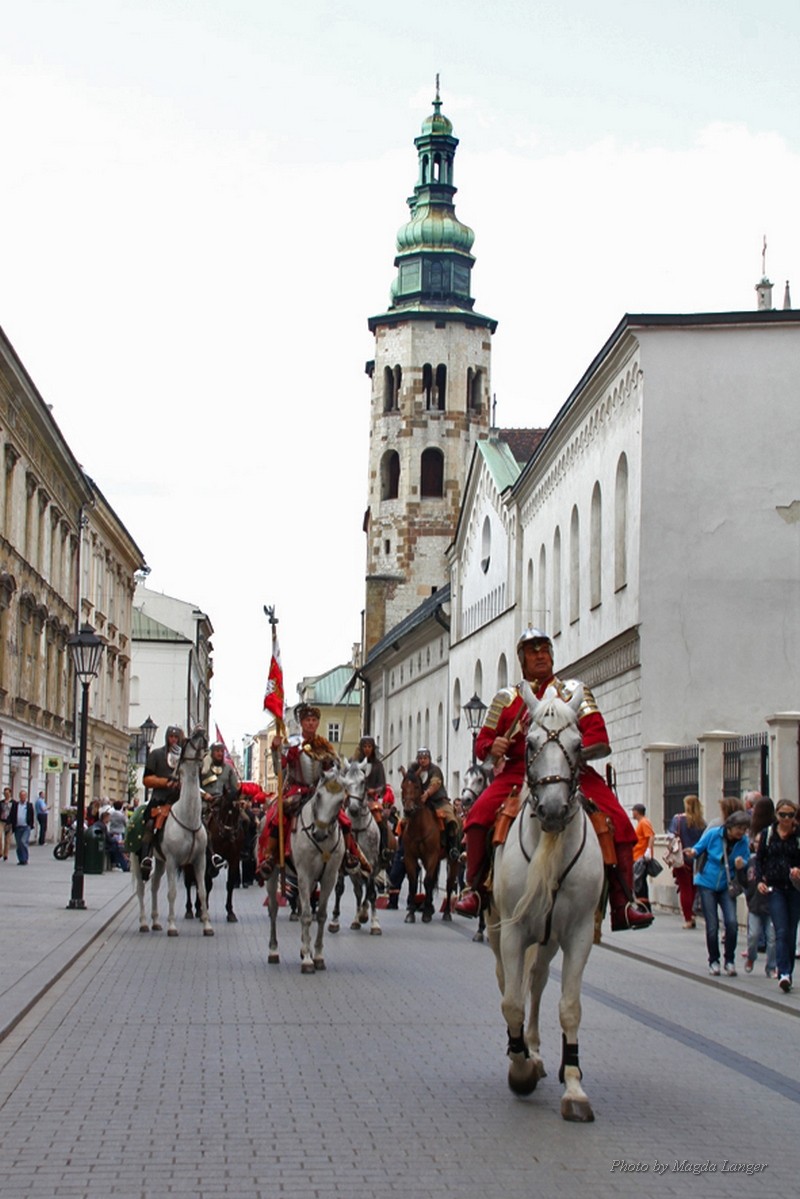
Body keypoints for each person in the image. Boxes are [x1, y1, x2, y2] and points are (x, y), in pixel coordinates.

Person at [454, 627, 653, 930]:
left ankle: (623, 903)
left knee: (620, 823)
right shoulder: (505, 699)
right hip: (518, 772)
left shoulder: (574, 692)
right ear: (522, 660)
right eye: (533, 651)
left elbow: (599, 736)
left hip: (573, 770)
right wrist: (492, 746)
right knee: (478, 817)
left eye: (545, 650)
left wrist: (571, 752)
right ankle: (475, 890)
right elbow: (484, 744)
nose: (540, 656)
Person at [256, 704, 369, 880]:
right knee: (277, 816)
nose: (311, 723)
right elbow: (279, 770)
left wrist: (336, 775)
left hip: (319, 791)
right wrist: (274, 750)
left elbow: (332, 770)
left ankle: (348, 855)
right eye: (307, 720)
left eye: (314, 720)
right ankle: (270, 856)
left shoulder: (324, 744)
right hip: (296, 790)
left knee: (344, 820)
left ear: (317, 723)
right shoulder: (291, 744)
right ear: (301, 723)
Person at [685, 810, 751, 977]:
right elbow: (698, 849)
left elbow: (747, 860)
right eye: (739, 828)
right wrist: (692, 853)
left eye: (744, 829)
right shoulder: (714, 834)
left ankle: (730, 960)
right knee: (712, 925)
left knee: (732, 923)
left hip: (726, 885)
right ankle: (713, 960)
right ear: (730, 826)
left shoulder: (743, 842)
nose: (741, 832)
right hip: (707, 882)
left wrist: (741, 864)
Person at [755, 799, 800, 993]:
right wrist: (759, 881)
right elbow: (759, 860)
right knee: (781, 930)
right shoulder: (767, 835)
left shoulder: (798, 836)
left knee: (791, 931)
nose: (787, 819)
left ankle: (788, 969)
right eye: (783, 815)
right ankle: (783, 972)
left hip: (795, 888)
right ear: (776, 815)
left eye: (791, 815)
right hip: (775, 888)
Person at [139, 726, 184, 879]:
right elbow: (146, 779)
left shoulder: (184, 758)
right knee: (150, 824)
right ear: (167, 738)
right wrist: (166, 782)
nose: (174, 740)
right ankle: (146, 858)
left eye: (176, 737)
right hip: (160, 799)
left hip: (180, 799)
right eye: (171, 737)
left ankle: (209, 856)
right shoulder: (156, 755)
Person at [742, 797, 776, 977]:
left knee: (772, 938)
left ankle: (771, 967)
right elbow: (744, 880)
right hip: (755, 904)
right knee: (753, 936)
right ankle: (751, 956)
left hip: (771, 902)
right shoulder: (751, 861)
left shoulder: (773, 861)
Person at [414, 748, 461, 863]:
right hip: (422, 804)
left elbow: (435, 784)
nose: (422, 761)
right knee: (405, 822)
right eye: (420, 759)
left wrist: (427, 794)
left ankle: (452, 847)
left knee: (451, 819)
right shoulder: (416, 772)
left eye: (425, 758)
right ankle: (404, 851)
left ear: (429, 759)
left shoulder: (435, 770)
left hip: (439, 801)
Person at [200, 742, 239, 873]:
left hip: (224, 802)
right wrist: (204, 794)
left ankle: (244, 851)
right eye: (217, 751)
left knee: (246, 819)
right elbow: (195, 785)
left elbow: (235, 787)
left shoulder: (228, 769)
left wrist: (239, 798)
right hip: (206, 802)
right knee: (198, 822)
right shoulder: (203, 768)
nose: (220, 753)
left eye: (221, 751)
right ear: (212, 752)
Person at [668, 794, 706, 928]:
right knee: (693, 888)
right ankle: (693, 913)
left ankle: (688, 918)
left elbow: (671, 836)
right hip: (697, 858)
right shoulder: (702, 823)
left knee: (685, 889)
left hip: (682, 858)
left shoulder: (677, 819)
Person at [355, 735, 393, 865]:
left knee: (381, 822)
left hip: (371, 800)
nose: (367, 749)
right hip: (356, 799)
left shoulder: (378, 765)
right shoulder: (355, 764)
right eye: (364, 746)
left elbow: (382, 785)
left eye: (369, 746)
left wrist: (374, 790)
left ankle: (384, 850)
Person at [631, 803, 655, 907]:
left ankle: (643, 906)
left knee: (639, 883)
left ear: (637, 812)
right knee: (639, 882)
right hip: (638, 856)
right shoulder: (641, 822)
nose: (632, 813)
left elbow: (650, 836)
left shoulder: (644, 822)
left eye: (633, 811)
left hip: (641, 857)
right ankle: (643, 906)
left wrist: (648, 850)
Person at [9, 789, 35, 865]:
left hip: (26, 827)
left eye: (24, 796)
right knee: (19, 844)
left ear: (26, 797)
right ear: (19, 796)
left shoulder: (29, 805)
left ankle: (25, 858)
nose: (22, 797)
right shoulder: (16, 805)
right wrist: (11, 824)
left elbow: (32, 815)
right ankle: (21, 859)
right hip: (17, 827)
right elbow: (12, 814)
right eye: (21, 796)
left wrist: (31, 825)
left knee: (23, 842)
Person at [0, 787, 12, 861]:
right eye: (4, 793)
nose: (6, 795)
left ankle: (6, 854)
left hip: (9, 822)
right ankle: (0, 851)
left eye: (7, 793)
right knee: (0, 836)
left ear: (10, 793)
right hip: (1, 821)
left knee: (7, 839)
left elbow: (14, 813)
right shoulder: (1, 802)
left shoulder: (13, 802)